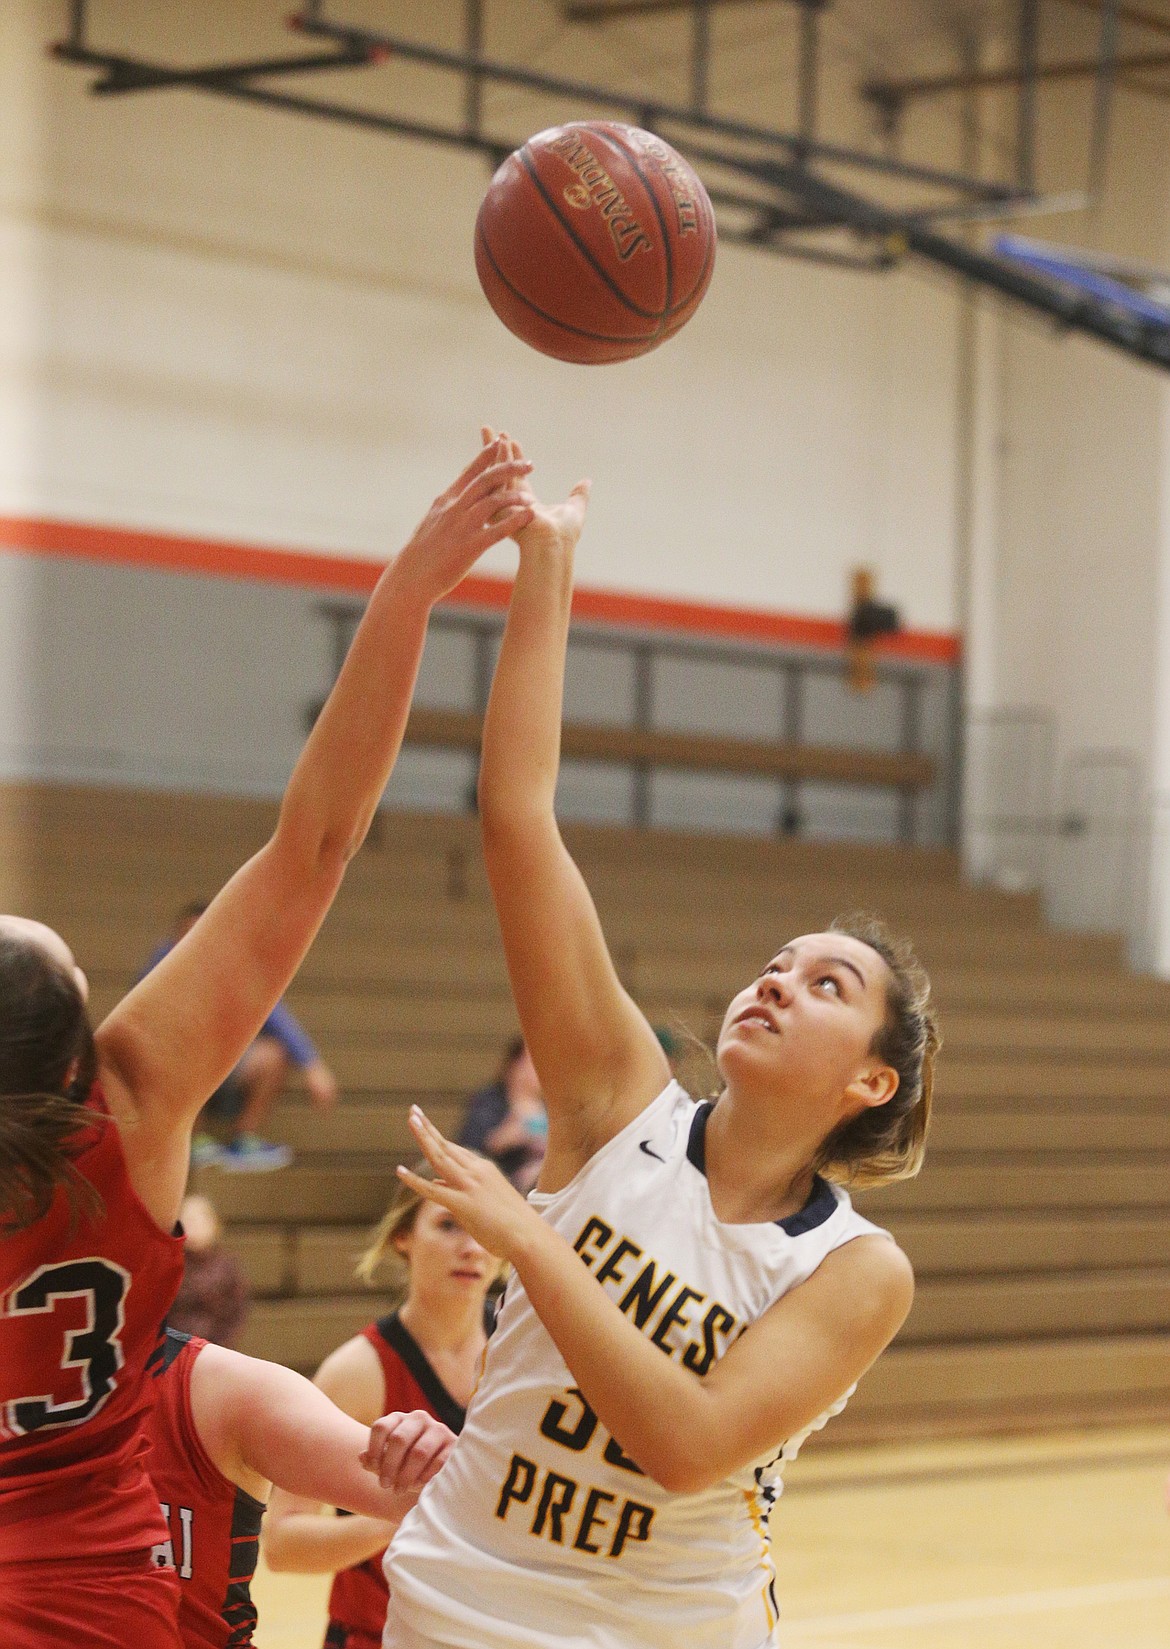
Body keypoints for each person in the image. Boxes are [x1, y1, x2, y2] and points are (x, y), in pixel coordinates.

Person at [367, 435, 938, 1649]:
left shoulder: (854, 1269)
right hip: (454, 1607)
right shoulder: (616, 1101)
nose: (778, 981)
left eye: (826, 982)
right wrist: (548, 565)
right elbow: (519, 818)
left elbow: (683, 1442)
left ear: (869, 1077)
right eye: (775, 963)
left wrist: (530, 1234)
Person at [0, 435, 535, 1649]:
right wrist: (411, 588)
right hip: (105, 1598)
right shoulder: (126, 1106)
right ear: (76, 1045)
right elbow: (316, 841)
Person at [263, 1167, 498, 1649]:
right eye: (449, 1224)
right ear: (402, 1238)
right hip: (377, 1635)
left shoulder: (524, 1358)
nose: (472, 1246)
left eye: (483, 1225)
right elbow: (283, 1544)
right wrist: (403, 1513)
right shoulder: (358, 1372)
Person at [143, 1324, 454, 1649]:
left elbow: (447, 1497)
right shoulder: (358, 1367)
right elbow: (285, 1543)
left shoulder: (226, 1387)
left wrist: (458, 1472)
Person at [143, 904, 340, 1171]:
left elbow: (275, 1014)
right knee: (188, 1043)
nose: (196, 947)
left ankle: (243, 1139)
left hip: (224, 1067)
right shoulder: (159, 968)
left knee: (273, 1054)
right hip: (175, 1070)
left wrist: (312, 1064)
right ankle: (193, 1139)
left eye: (204, 936)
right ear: (175, 939)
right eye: (189, 938)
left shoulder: (233, 965)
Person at [457, 1037, 547, 1191]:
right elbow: (468, 1148)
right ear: (514, 1065)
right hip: (501, 1182)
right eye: (533, 1062)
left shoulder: (553, 1106)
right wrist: (504, 1138)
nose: (543, 1069)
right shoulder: (489, 1103)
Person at [168, 1193, 250, 1348]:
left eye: (199, 1219)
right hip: (172, 1351)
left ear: (213, 1224)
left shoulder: (228, 1267)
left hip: (217, 1351)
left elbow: (236, 1315)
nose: (193, 1225)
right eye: (187, 1219)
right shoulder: (167, 1266)